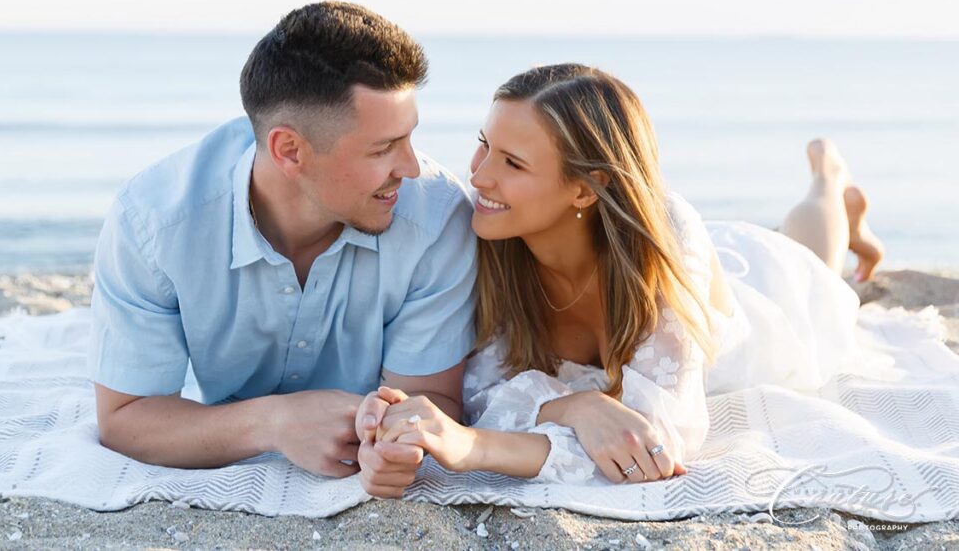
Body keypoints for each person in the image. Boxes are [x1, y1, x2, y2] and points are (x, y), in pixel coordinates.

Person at [370, 63, 885, 486]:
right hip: (650, 252)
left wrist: (486, 445)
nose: (479, 176)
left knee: (816, 262)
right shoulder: (489, 240)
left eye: (513, 163)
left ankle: (829, 178)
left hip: (761, 304)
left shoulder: (667, 234)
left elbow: (660, 436)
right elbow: (481, 397)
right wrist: (574, 408)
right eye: (483, 144)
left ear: (586, 188)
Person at [89, 1, 477, 498]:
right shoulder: (153, 221)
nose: (411, 167)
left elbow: (433, 398)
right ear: (289, 150)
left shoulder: (437, 218)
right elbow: (124, 420)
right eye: (382, 149)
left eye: (408, 139)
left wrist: (395, 443)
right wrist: (272, 423)